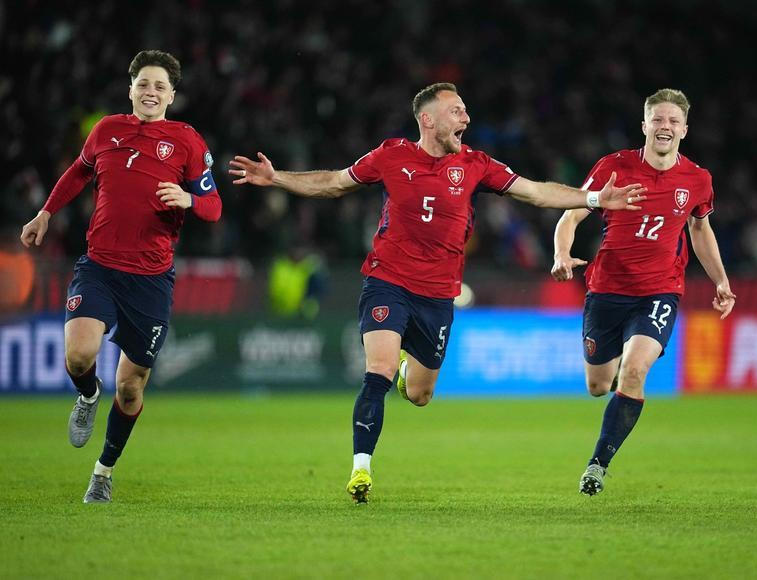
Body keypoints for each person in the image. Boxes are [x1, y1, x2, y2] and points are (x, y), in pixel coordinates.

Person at [229, 82, 647, 503]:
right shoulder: (391, 155)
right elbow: (335, 182)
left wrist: (595, 198)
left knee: (420, 394)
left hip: (438, 296)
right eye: (456, 111)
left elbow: (536, 191)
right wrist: (277, 177)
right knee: (377, 371)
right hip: (387, 281)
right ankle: (361, 468)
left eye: (465, 111)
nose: (466, 118)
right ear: (427, 119)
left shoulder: (476, 164)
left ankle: (407, 372)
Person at [19, 50, 221, 503]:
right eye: (143, 84)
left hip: (150, 280)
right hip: (100, 267)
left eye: (160, 86)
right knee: (78, 356)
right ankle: (88, 395)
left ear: (172, 95)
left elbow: (213, 206)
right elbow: (78, 172)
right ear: (130, 89)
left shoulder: (187, 141)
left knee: (130, 387)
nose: (151, 92)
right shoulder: (106, 130)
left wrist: (189, 200)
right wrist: (46, 212)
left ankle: (102, 473)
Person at [550, 88, 735, 497]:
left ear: (684, 130)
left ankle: (598, 465)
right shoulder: (614, 167)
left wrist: (721, 280)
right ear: (645, 125)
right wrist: (562, 254)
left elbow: (700, 229)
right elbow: (570, 216)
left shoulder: (698, 179)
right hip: (606, 290)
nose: (665, 126)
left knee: (635, 371)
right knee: (598, 385)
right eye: (658, 119)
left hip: (660, 291)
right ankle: (619, 380)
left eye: (673, 121)